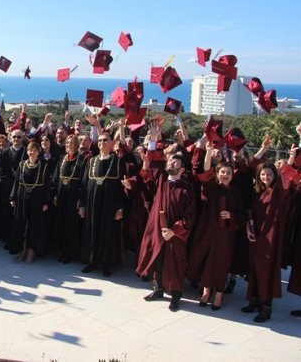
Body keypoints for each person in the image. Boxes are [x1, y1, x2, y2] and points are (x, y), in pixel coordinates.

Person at [242, 137, 297, 322]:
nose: (266, 177)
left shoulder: (279, 192)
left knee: (266, 271)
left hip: (271, 238)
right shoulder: (258, 192)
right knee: (254, 268)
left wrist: (291, 158)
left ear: (275, 175)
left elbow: (287, 178)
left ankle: (266, 306)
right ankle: (254, 300)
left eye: (269, 174)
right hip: (255, 236)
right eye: (263, 175)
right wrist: (249, 227)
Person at [186, 141, 245, 310]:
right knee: (206, 261)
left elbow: (242, 217)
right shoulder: (212, 188)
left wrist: (231, 216)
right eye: (222, 172)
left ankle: (219, 293)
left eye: (228, 172)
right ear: (217, 174)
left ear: (232, 175)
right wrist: (208, 151)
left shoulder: (236, 193)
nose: (225, 175)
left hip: (226, 236)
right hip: (208, 232)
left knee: (221, 263)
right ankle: (206, 291)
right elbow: (205, 171)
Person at [136, 150, 196, 312]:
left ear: (182, 169)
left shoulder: (187, 190)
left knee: (174, 264)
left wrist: (174, 230)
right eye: (170, 161)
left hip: (175, 235)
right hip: (158, 229)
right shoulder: (162, 181)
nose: (171, 163)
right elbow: (154, 163)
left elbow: (189, 216)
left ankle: (175, 296)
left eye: (175, 162)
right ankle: (158, 290)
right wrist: (153, 141)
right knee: (158, 260)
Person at [79, 132, 127, 276]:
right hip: (92, 203)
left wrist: (120, 208)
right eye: (99, 140)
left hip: (110, 203)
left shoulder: (118, 162)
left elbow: (122, 187)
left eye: (105, 140)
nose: (102, 142)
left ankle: (107, 263)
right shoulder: (91, 161)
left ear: (112, 143)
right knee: (92, 229)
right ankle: (92, 261)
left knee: (108, 232)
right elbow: (84, 184)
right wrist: (82, 204)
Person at [9, 142, 51, 263]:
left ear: (38, 152)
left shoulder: (44, 166)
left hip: (37, 198)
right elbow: (16, 182)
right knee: (22, 224)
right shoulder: (22, 164)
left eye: (34, 150)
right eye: (29, 150)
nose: (31, 152)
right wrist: (12, 197)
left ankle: (31, 251)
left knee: (34, 225)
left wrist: (46, 202)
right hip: (22, 196)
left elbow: (47, 185)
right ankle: (22, 250)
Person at [53, 135, 86, 263]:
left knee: (71, 225)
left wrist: (80, 200)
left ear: (77, 145)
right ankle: (61, 249)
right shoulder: (62, 159)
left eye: (72, 142)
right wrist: (55, 194)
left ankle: (70, 252)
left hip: (73, 197)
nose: (69, 145)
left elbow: (84, 182)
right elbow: (56, 178)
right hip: (62, 196)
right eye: (67, 142)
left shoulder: (82, 160)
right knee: (61, 222)